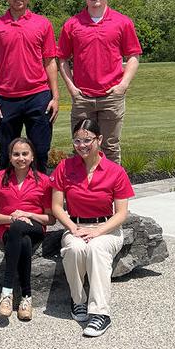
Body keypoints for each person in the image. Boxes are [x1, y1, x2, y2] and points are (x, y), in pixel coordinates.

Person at [51, 119, 135, 337]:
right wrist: (73, 228)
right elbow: (57, 207)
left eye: (87, 140)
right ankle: (78, 300)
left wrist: (99, 231)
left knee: (96, 249)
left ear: (99, 140)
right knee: (74, 249)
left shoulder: (115, 171)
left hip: (107, 228)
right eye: (77, 140)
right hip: (76, 225)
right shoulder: (65, 167)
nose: (82, 145)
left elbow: (121, 213)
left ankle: (100, 313)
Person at [57, 0, 142, 164]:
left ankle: (112, 192)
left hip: (111, 96)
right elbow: (62, 58)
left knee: (110, 147)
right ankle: (82, 191)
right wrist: (71, 88)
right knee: (81, 146)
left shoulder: (122, 22)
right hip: (82, 97)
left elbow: (133, 56)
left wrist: (123, 86)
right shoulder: (72, 24)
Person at [0, 0, 59, 173]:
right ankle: (7, 199)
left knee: (40, 151)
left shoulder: (43, 24)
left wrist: (55, 97)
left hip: (39, 96)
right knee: (7, 154)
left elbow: (50, 61)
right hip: (7, 99)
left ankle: (41, 200)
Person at [0, 137, 54, 320]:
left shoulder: (44, 181)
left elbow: (51, 219)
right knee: (22, 239)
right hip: (8, 231)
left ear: (32, 157)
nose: (20, 158)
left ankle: (6, 292)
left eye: (25, 154)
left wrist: (29, 215)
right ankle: (26, 296)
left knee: (21, 230)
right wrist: (13, 217)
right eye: (16, 154)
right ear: (9, 156)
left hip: (36, 227)